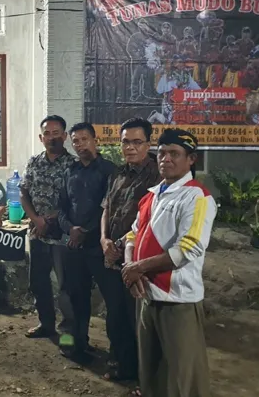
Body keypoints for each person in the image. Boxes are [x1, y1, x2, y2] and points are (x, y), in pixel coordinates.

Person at [122, 128, 217, 397]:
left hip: (177, 299)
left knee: (182, 375)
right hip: (146, 294)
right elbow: (133, 234)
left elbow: (189, 248)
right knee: (150, 370)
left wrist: (138, 268)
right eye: (162, 153)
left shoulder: (197, 197)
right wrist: (130, 268)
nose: (166, 159)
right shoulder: (152, 195)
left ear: (191, 159)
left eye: (174, 153)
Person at [99, 117, 161, 382]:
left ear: (148, 144)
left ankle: (144, 375)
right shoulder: (117, 173)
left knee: (139, 319)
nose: (130, 147)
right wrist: (104, 240)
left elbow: (152, 220)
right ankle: (121, 366)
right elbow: (106, 208)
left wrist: (120, 244)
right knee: (116, 316)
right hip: (111, 257)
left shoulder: (158, 176)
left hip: (139, 260)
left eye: (137, 142)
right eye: (125, 142)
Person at [57, 122, 117, 364]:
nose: (80, 144)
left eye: (84, 139)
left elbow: (108, 207)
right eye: (76, 141)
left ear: (95, 140)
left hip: (99, 247)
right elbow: (61, 206)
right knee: (74, 299)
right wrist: (70, 229)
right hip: (73, 246)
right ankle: (75, 345)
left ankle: (118, 354)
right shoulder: (69, 171)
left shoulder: (109, 171)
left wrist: (85, 231)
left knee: (113, 301)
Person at [20, 115, 77, 338]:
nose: (51, 137)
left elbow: (74, 201)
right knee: (38, 282)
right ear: (40, 137)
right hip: (37, 233)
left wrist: (51, 219)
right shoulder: (34, 162)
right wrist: (36, 219)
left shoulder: (73, 165)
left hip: (62, 236)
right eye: (47, 134)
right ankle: (46, 324)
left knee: (65, 286)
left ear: (64, 136)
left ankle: (69, 333)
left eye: (56, 133)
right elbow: (24, 192)